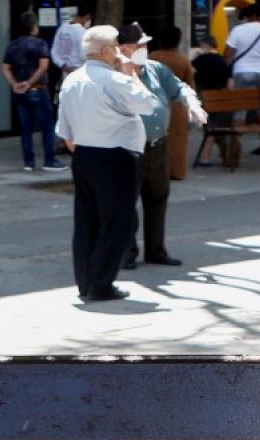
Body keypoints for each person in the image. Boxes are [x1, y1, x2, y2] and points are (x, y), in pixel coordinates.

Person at [57, 25, 157, 303]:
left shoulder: (72, 79)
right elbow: (147, 104)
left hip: (84, 155)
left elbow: (65, 130)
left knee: (86, 222)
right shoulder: (115, 79)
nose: (120, 52)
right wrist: (130, 73)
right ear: (106, 51)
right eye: (116, 47)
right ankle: (101, 282)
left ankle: (86, 282)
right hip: (115, 157)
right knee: (117, 223)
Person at [117, 22, 206, 271]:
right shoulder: (116, 74)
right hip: (128, 149)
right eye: (138, 46)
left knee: (158, 198)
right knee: (126, 202)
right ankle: (126, 253)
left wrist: (192, 103)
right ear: (123, 49)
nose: (143, 49)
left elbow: (179, 88)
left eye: (144, 45)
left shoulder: (156, 69)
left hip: (157, 145)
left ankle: (156, 250)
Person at [3, 13, 65, 173]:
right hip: (38, 88)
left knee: (25, 127)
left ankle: (28, 162)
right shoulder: (40, 44)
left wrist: (14, 83)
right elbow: (43, 66)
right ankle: (50, 160)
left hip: (19, 91)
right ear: (33, 27)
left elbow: (6, 68)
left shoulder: (12, 45)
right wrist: (30, 82)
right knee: (47, 125)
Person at [225, 2, 260, 155]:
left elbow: (228, 54)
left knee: (240, 110)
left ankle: (236, 148)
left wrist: (228, 74)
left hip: (241, 72)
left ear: (248, 16)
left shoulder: (237, 30)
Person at [150, 25, 197, 181]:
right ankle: (177, 171)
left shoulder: (153, 57)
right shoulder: (183, 60)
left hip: (156, 102)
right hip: (177, 105)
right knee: (178, 139)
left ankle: (158, 171)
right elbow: (190, 85)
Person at [191, 34, 232, 168]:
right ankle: (222, 152)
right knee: (215, 124)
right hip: (219, 98)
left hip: (205, 97)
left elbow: (191, 73)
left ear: (205, 45)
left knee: (209, 126)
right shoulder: (222, 60)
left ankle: (205, 157)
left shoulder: (201, 59)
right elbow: (229, 83)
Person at [51, 6, 92, 77]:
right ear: (87, 17)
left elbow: (54, 52)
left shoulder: (62, 28)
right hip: (81, 72)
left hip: (65, 72)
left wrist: (63, 65)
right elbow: (85, 55)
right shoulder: (84, 32)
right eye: (89, 19)